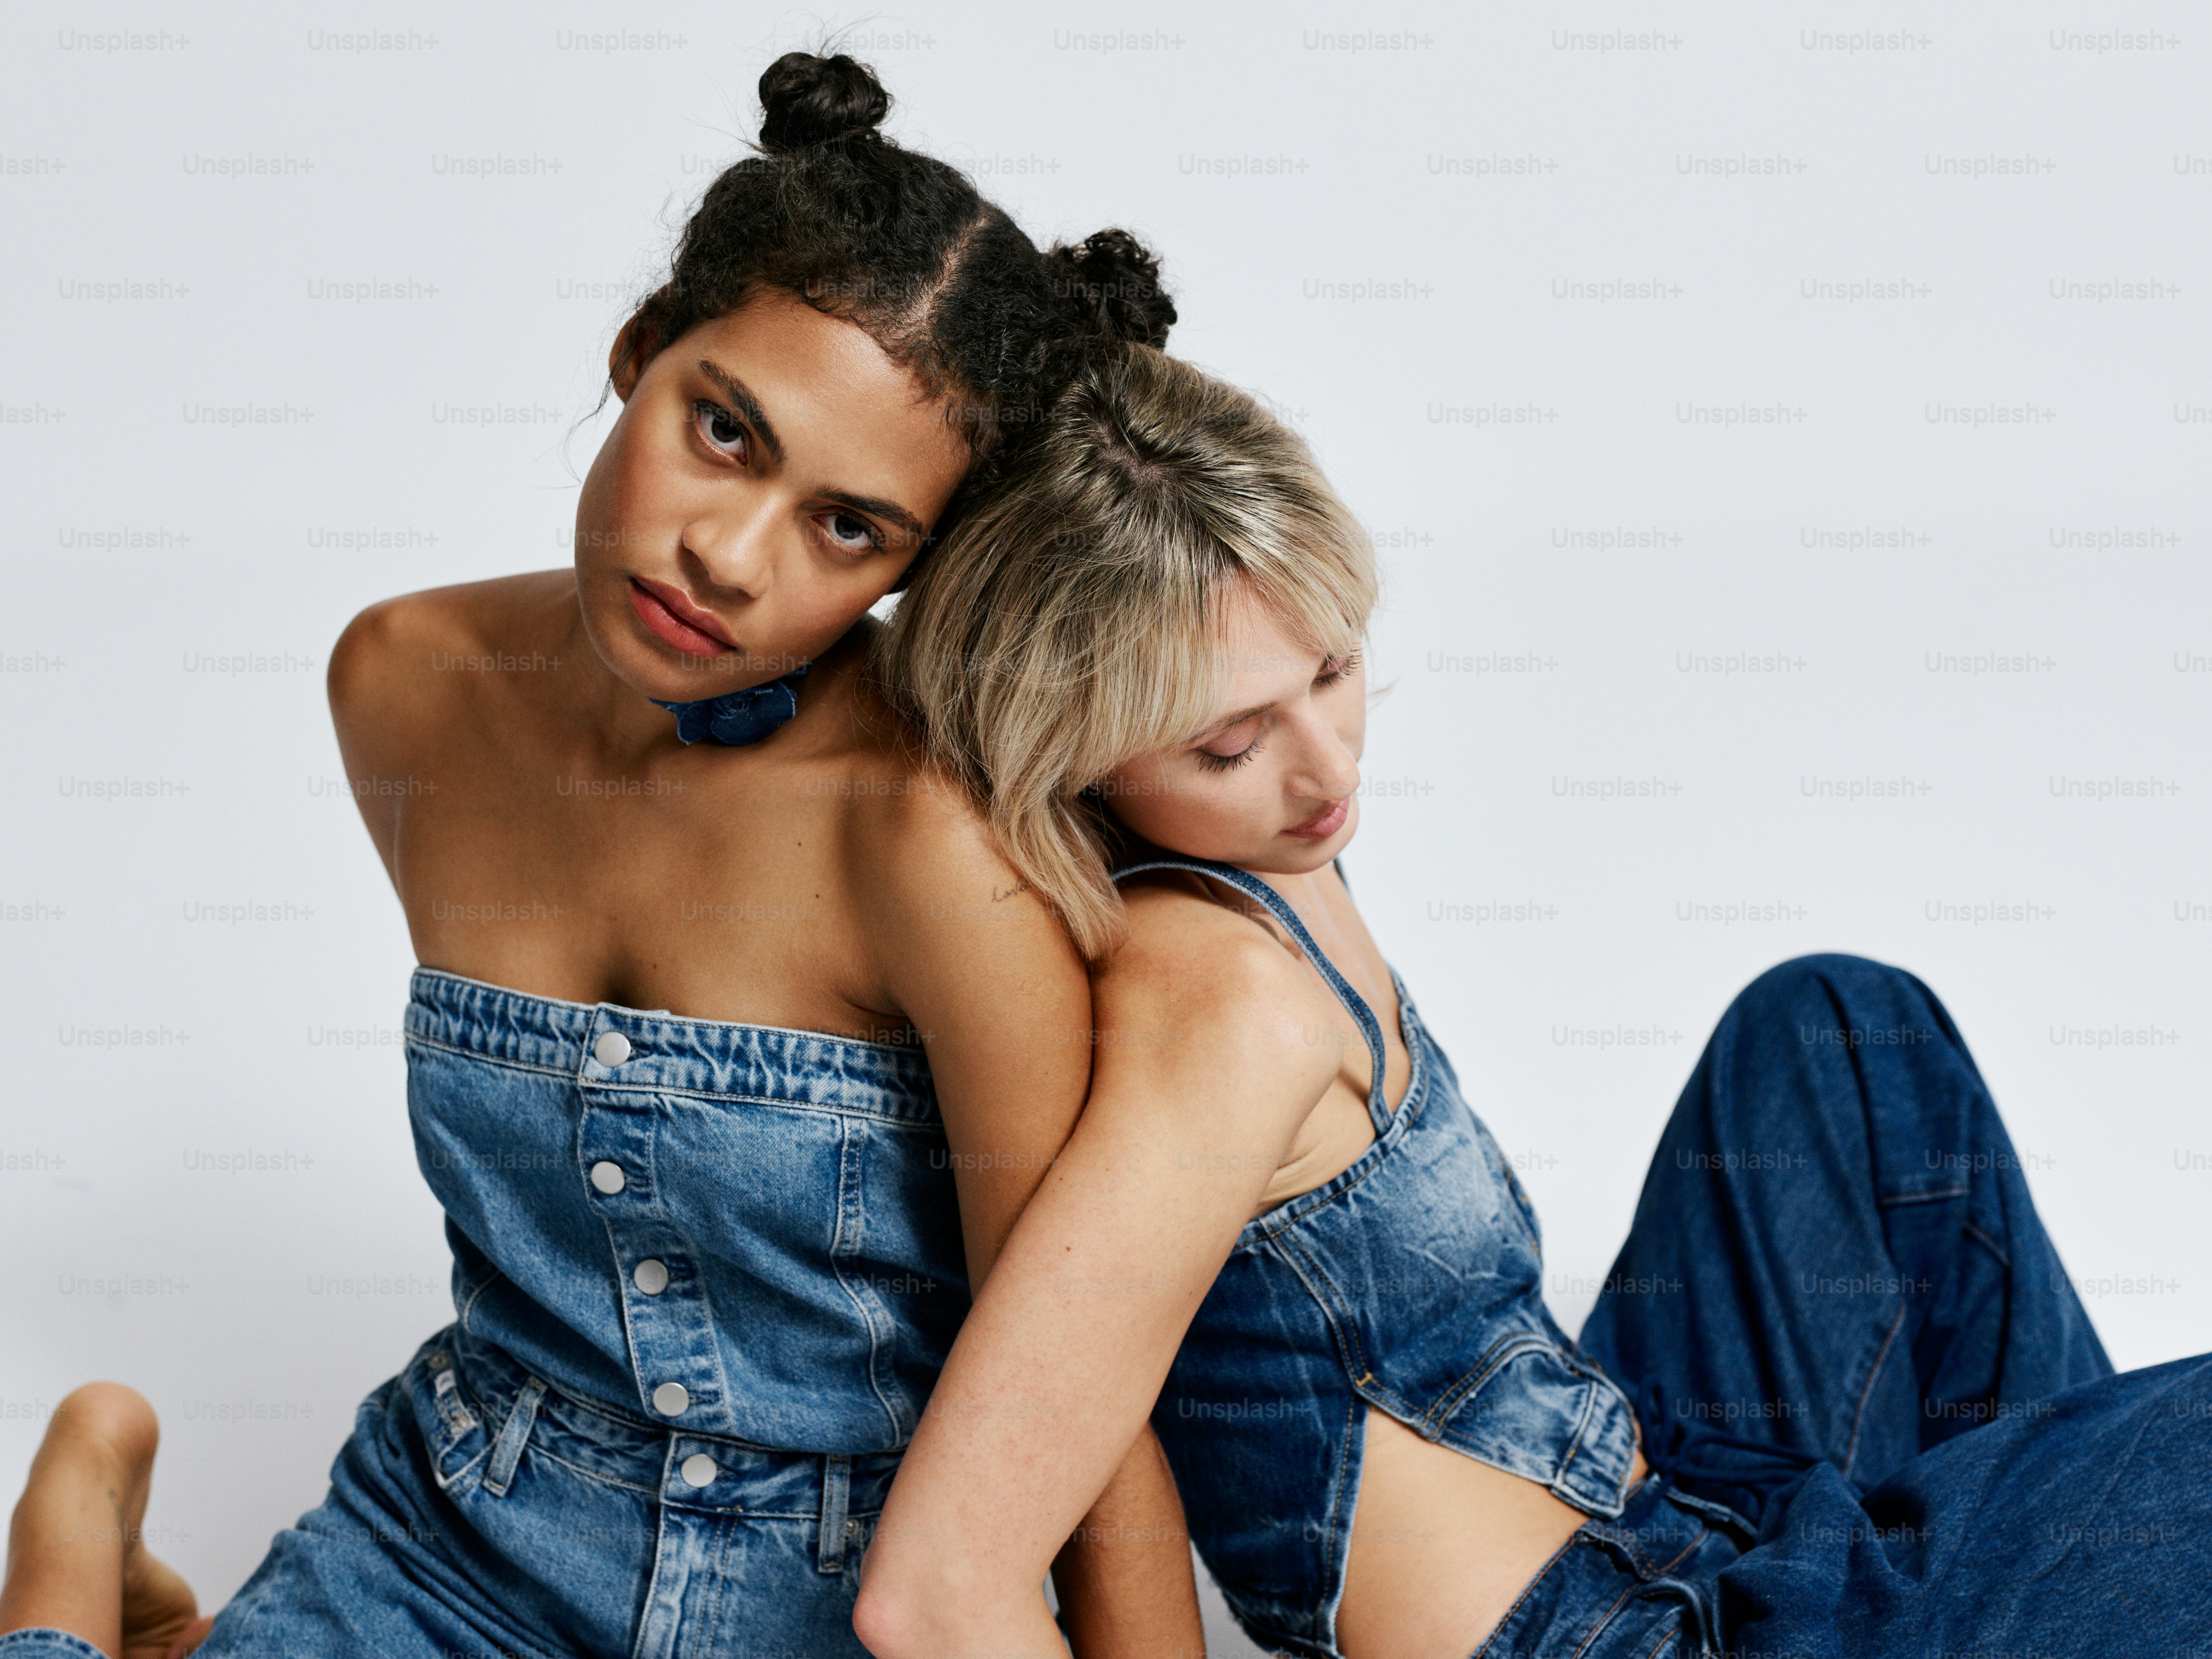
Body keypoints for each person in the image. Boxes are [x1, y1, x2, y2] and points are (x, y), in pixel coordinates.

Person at [0, 51, 1202, 1659]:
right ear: (637, 350)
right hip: (454, 1530)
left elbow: (1081, 1374)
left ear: (914, 569)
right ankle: (79, 1508)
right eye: (724, 430)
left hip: (833, 1590)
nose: (729, 555)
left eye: (848, 525)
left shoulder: (930, 844)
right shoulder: (408, 687)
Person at [850, 341, 2212, 1659]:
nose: (1328, 769)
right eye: (1231, 743)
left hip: (1669, 1508)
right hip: (1631, 1637)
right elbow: (937, 1594)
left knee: (1839, 1035)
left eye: (1331, 669)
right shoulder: (1220, 1002)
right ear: (1079, 747)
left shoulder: (1266, 848)